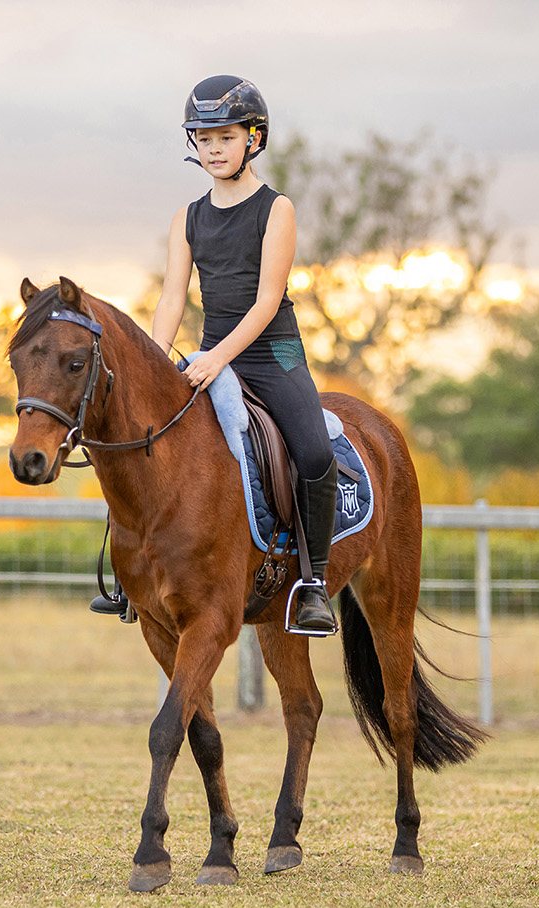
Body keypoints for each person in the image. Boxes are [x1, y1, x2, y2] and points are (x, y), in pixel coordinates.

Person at [158, 74, 339, 637]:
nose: (213, 148)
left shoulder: (275, 208)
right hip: (212, 355)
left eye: (226, 137)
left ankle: (313, 583)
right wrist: (154, 357)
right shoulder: (187, 218)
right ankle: (134, 575)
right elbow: (171, 297)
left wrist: (216, 358)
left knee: (311, 451)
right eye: (203, 138)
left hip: (272, 354)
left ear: (253, 139)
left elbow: (266, 303)